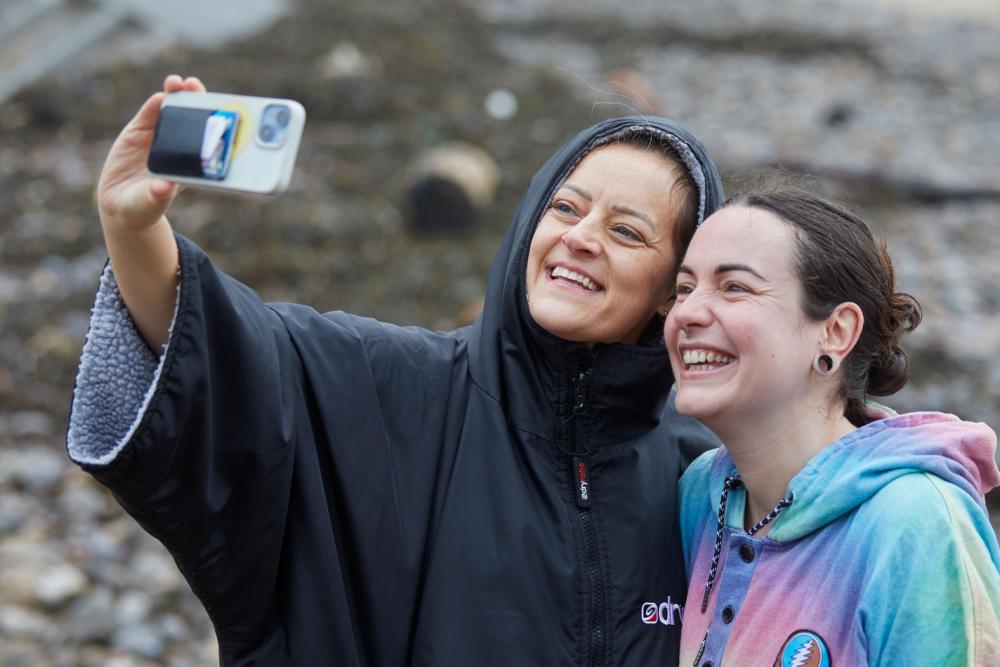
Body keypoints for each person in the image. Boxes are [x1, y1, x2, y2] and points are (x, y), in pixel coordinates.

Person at [66, 74, 726, 665]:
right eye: (566, 208)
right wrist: (131, 229)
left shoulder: (698, 480)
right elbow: (221, 354)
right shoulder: (395, 387)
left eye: (627, 231)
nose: (580, 237)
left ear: (675, 286)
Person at [665, 185, 1000, 666]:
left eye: (735, 286)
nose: (687, 313)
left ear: (836, 332)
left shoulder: (914, 525)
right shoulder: (699, 495)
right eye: (683, 288)